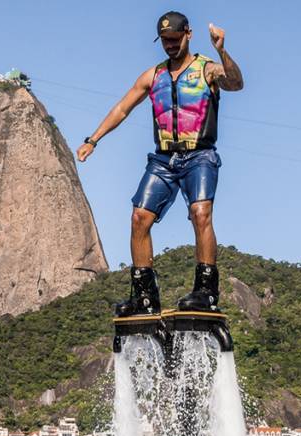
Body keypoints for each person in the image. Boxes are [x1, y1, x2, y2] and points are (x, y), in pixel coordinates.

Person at [77, 11, 244, 318]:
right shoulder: (153, 76)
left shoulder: (206, 69)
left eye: (174, 40)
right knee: (139, 217)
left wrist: (221, 49)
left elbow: (236, 83)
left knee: (200, 213)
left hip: (200, 155)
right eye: (165, 41)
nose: (169, 45)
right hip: (164, 159)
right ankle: (144, 296)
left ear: (188, 35)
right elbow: (123, 108)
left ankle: (206, 291)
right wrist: (93, 139)